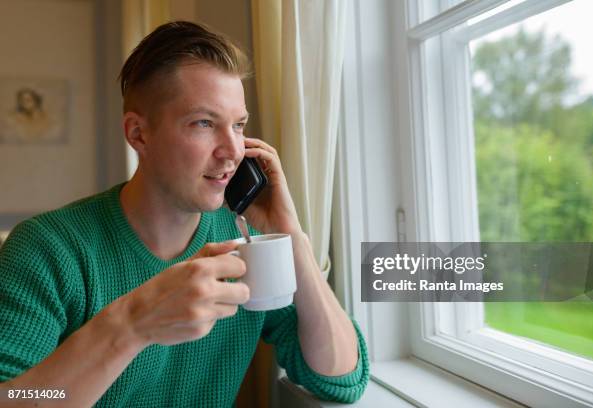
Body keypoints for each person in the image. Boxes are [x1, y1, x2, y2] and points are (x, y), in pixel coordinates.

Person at [0, 21, 368, 407]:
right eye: (204, 123)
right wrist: (131, 324)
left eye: (239, 125)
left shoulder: (247, 245)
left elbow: (340, 378)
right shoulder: (46, 250)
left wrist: (291, 236)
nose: (233, 150)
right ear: (138, 134)